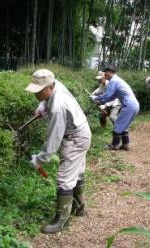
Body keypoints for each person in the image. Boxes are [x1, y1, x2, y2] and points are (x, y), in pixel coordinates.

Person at [25, 69, 91, 234]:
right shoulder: (56, 85)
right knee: (77, 172)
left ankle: (61, 221)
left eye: (39, 91)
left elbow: (53, 141)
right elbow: (46, 101)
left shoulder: (57, 107)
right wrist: (41, 107)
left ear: (50, 86)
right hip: (82, 131)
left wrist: (38, 160)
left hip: (75, 137)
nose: (36, 94)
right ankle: (80, 207)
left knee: (65, 178)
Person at [90, 65, 139, 150]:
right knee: (125, 126)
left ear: (109, 72)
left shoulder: (114, 81)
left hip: (129, 105)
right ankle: (125, 145)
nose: (105, 76)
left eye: (105, 74)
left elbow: (107, 95)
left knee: (118, 124)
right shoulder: (118, 80)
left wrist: (97, 98)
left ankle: (114, 145)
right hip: (135, 105)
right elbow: (112, 96)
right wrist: (100, 99)